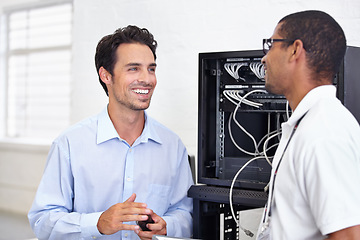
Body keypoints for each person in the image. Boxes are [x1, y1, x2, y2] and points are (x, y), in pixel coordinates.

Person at [28, 25, 193, 240]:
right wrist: (97, 223)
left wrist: (167, 226)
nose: (147, 79)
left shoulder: (172, 146)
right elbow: (43, 221)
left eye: (151, 69)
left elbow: (187, 213)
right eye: (133, 68)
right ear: (106, 75)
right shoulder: (69, 144)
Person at [257, 10, 360, 240]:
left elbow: (348, 236)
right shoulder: (309, 124)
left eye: (271, 45)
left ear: (295, 50)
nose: (264, 58)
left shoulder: (325, 131)